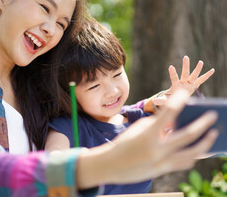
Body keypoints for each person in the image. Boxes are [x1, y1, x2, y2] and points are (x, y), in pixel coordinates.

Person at [0, 0, 218, 197]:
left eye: (61, 24)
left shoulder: (37, 84)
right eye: (44, 8)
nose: (50, 29)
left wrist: (151, 106)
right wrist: (104, 163)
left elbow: (97, 115)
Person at [43, 18, 215, 195]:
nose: (112, 91)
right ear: (69, 93)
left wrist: (186, 113)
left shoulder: (141, 120)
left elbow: (193, 146)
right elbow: (51, 163)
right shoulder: (68, 126)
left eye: (117, 74)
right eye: (94, 86)